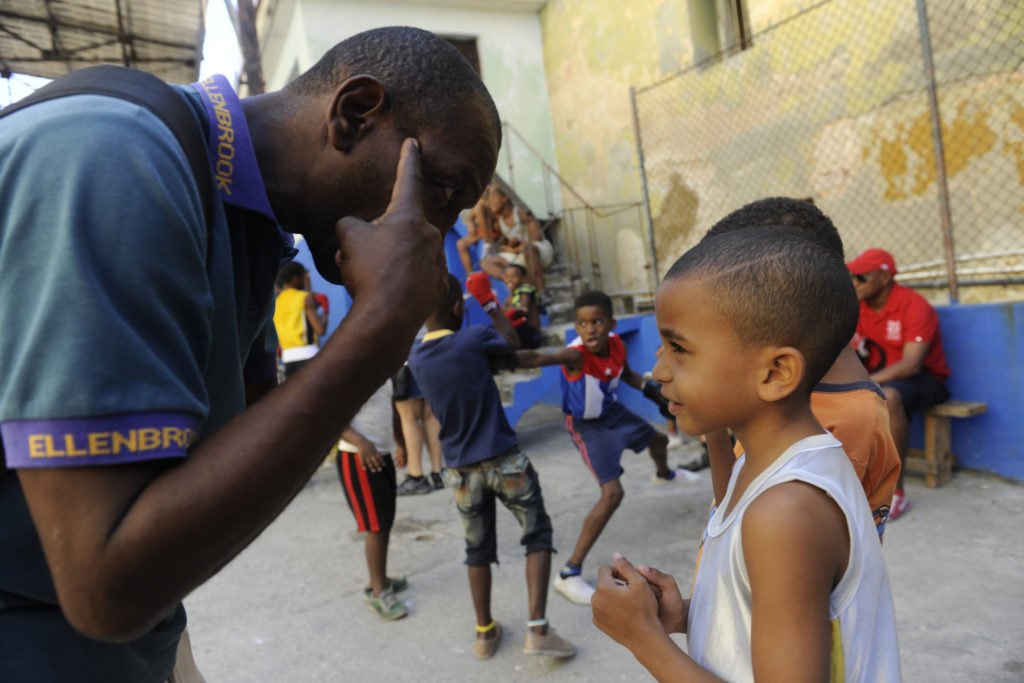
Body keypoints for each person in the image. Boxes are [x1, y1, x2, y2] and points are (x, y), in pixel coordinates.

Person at [0, 26, 500, 682]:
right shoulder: (115, 156)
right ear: (353, 114)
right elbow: (106, 585)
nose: (436, 231)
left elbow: (210, 480)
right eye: (442, 190)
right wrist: (380, 325)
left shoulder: (250, 227)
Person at [591, 225, 901, 681]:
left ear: (776, 373)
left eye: (679, 349)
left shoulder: (787, 510)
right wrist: (687, 616)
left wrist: (643, 640)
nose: (658, 369)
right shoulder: (756, 468)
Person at [701, 198, 901, 536]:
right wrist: (713, 426)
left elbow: (788, 569)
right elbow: (731, 509)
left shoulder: (846, 421)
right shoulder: (786, 389)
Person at [407, 273, 575, 661]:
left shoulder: (416, 356)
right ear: (457, 308)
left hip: (461, 471)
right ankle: (538, 630)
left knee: (477, 550)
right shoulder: (472, 339)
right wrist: (489, 303)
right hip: (503, 458)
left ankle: (484, 634)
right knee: (538, 536)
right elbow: (514, 343)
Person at [515, 290, 699, 606]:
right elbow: (537, 358)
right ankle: (569, 573)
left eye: (597, 322)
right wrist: (497, 357)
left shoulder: (615, 344)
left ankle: (664, 474)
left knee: (658, 440)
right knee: (612, 494)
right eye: (583, 323)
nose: (590, 330)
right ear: (576, 326)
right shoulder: (575, 355)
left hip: (612, 412)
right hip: (587, 427)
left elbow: (625, 374)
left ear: (611, 323)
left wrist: (651, 390)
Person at [848, 248, 950, 520]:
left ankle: (896, 493)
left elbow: (911, 365)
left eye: (861, 277)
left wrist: (862, 383)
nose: (855, 283)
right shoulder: (858, 307)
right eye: (852, 277)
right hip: (880, 379)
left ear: (884, 277)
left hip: (926, 380)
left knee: (888, 396)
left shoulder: (914, 305)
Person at [336, 378, 409, 620]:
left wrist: (401, 442)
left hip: (382, 454)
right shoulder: (350, 375)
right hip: (358, 458)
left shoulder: (383, 371)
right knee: (375, 525)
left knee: (385, 519)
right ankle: (377, 592)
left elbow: (391, 409)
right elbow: (332, 419)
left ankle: (381, 578)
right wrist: (360, 441)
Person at [479, 185, 554, 296]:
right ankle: (515, 280)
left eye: (492, 197)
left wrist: (516, 247)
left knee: (527, 247)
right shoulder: (500, 223)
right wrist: (511, 246)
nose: (489, 201)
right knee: (486, 262)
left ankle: (541, 291)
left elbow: (537, 237)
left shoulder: (520, 213)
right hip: (521, 253)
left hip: (539, 250)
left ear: (505, 198)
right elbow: (503, 247)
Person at [394, 369, 445, 495]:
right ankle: (439, 473)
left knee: (409, 417)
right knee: (431, 414)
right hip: (428, 359)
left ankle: (416, 476)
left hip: (407, 364)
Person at [273, 261, 327, 378]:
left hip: (288, 359)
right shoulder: (304, 298)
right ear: (295, 278)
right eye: (303, 277)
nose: (304, 280)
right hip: (309, 356)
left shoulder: (276, 303)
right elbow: (320, 330)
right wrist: (325, 311)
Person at [456, 189, 501, 275]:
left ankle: (488, 246)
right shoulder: (466, 198)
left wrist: (471, 218)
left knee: (478, 208)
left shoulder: (488, 190)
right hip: (480, 232)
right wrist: (470, 221)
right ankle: (471, 276)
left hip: (492, 227)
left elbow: (488, 205)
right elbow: (471, 232)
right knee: (460, 244)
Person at [501, 263, 542, 349]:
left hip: (532, 336)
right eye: (507, 276)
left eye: (514, 276)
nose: (510, 280)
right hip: (519, 335)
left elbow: (523, 309)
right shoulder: (509, 298)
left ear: (523, 279)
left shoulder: (525, 290)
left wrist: (498, 308)